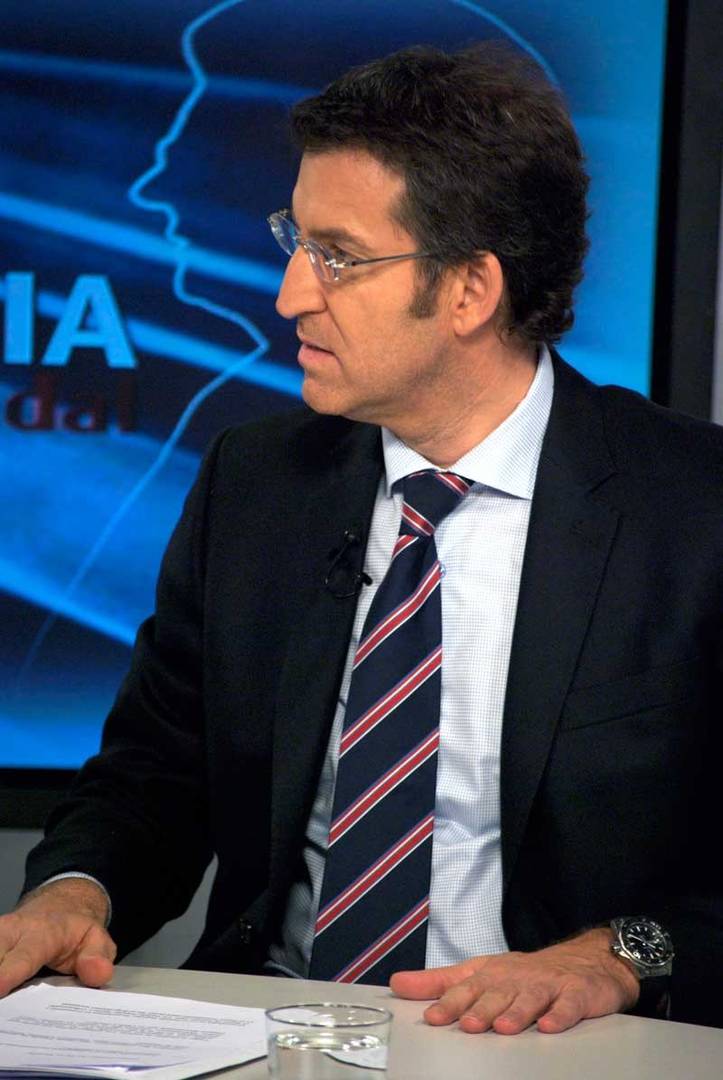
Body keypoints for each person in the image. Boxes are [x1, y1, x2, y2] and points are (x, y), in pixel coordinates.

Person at [1, 44, 722, 1034]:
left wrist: (618, 956)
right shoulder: (255, 484)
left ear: (469, 290)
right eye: (294, 240)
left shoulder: (693, 510)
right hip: (274, 1030)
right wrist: (75, 891)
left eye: (337, 256)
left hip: (550, 1046)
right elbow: (152, 777)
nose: (290, 293)